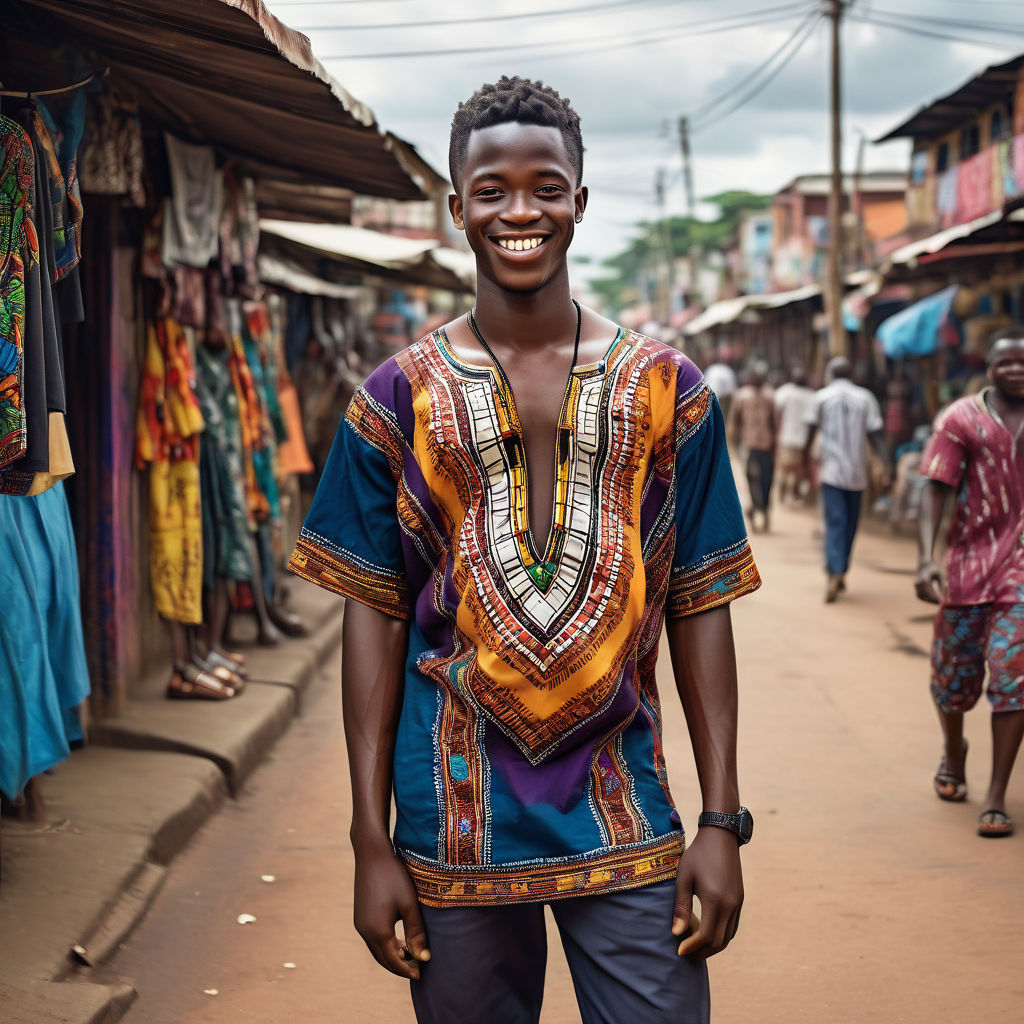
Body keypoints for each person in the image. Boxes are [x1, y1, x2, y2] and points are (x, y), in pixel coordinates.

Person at [289, 76, 761, 1024]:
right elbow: (374, 617)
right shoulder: (396, 398)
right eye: (492, 189)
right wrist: (367, 842)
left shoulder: (670, 390)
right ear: (457, 205)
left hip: (623, 808)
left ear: (579, 201)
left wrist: (720, 821)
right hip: (450, 823)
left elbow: (699, 604)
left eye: (546, 185)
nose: (520, 210)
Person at [915, 328, 1024, 839]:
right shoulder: (960, 419)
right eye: (1007, 362)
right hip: (967, 567)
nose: (1017, 370)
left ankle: (997, 792)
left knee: (1013, 677)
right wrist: (925, 559)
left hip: (1020, 573)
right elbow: (936, 488)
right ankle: (953, 751)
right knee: (953, 680)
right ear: (990, 368)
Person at [803, 356, 889, 603]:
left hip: (831, 471)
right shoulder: (865, 397)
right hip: (857, 472)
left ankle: (835, 570)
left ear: (830, 374)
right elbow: (876, 435)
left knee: (835, 522)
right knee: (850, 523)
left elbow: (810, 431)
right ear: (852, 374)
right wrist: (885, 463)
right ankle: (839, 569)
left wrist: (805, 461)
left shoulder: (821, 397)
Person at [728, 360, 777, 532]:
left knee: (767, 481)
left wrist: (776, 444)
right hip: (748, 445)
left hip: (766, 445)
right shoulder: (742, 396)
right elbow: (735, 421)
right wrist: (733, 443)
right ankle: (756, 508)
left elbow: (775, 422)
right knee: (751, 479)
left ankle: (763, 509)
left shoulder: (770, 396)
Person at [773, 366, 815, 505]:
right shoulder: (811, 395)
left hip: (787, 437)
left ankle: (783, 494)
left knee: (785, 468)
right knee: (797, 469)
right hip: (803, 439)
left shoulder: (785, 392)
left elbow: (775, 411)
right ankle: (790, 494)